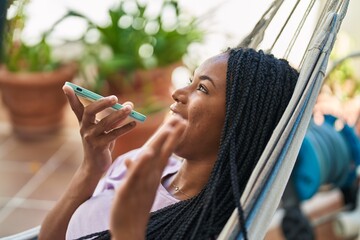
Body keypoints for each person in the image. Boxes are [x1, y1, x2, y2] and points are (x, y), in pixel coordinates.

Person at [39, 47, 299, 240]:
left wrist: (128, 231)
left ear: (240, 122)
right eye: (191, 81)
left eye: (203, 89)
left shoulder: (209, 227)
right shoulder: (139, 165)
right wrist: (91, 168)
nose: (178, 93)